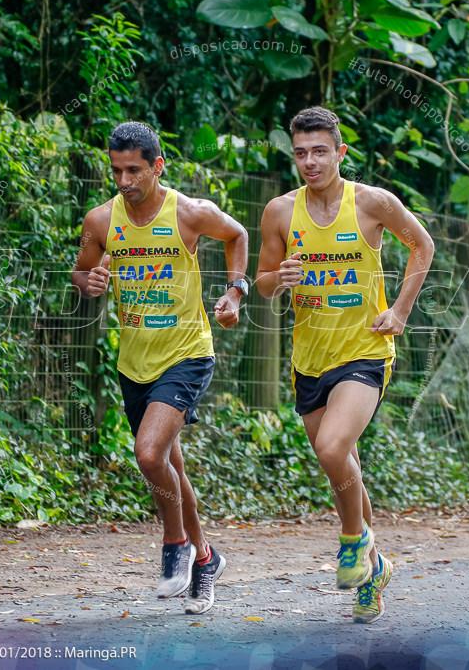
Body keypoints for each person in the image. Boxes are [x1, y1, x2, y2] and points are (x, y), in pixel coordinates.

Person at [256, 106, 434, 623]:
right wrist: (277, 278)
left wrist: (400, 311)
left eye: (319, 152)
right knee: (342, 464)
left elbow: (422, 244)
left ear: (340, 152)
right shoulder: (280, 212)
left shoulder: (374, 203)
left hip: (364, 350)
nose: (309, 162)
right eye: (300, 154)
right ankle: (373, 573)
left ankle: (355, 543)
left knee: (335, 447)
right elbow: (264, 280)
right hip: (309, 358)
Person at [71, 121, 249, 614]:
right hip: (135, 361)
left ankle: (176, 546)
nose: (124, 180)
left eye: (134, 170)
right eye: (116, 171)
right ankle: (207, 560)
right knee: (170, 466)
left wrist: (236, 291)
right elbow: (81, 270)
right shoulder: (102, 221)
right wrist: (90, 282)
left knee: (149, 456)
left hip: (187, 353)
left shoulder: (189, 213)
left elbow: (238, 235)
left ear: (157, 167)